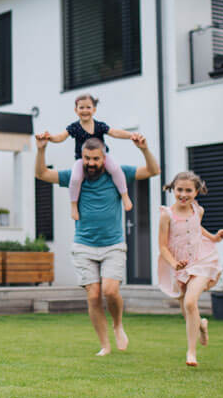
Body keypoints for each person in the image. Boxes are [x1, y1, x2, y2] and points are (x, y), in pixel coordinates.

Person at [34, 132, 160, 356]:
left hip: (113, 244)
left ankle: (118, 324)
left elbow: (153, 171)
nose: (91, 164)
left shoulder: (117, 174)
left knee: (110, 291)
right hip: (84, 245)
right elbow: (42, 173)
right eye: (87, 159)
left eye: (95, 159)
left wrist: (144, 149)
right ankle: (105, 345)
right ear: (82, 157)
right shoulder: (75, 176)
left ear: (104, 158)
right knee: (93, 295)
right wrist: (42, 149)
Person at [157, 171, 223, 367]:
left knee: (190, 302)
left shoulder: (198, 210)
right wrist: (173, 264)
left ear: (196, 192)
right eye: (179, 190)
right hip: (178, 264)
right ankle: (201, 325)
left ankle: (191, 353)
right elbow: (162, 245)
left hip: (202, 260)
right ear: (173, 189)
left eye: (188, 190)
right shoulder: (166, 215)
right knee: (187, 310)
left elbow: (197, 228)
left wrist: (213, 238)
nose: (183, 194)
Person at [42, 93, 135, 221]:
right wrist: (51, 138)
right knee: (75, 179)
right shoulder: (74, 127)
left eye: (88, 107)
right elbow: (61, 137)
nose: (85, 111)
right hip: (82, 159)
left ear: (94, 110)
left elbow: (115, 132)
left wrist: (131, 135)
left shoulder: (99, 126)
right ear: (76, 110)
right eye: (81, 108)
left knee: (116, 169)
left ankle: (125, 196)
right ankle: (74, 205)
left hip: (102, 157)